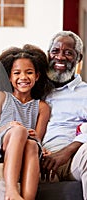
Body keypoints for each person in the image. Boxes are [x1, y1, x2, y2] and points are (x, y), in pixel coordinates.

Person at [0, 44, 52, 200]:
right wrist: (10, 126)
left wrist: (36, 138)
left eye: (29, 72)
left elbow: (38, 139)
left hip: (28, 149)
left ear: (37, 76)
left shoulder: (42, 107)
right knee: (19, 131)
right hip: (2, 145)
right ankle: (11, 190)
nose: (23, 77)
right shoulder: (0, 97)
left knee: (31, 144)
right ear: (9, 77)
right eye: (17, 73)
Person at [41, 30, 87, 198]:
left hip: (74, 158)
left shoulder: (84, 93)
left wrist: (67, 151)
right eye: (55, 51)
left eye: (68, 53)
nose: (60, 57)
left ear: (78, 59)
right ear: (48, 54)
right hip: (40, 160)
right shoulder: (35, 89)